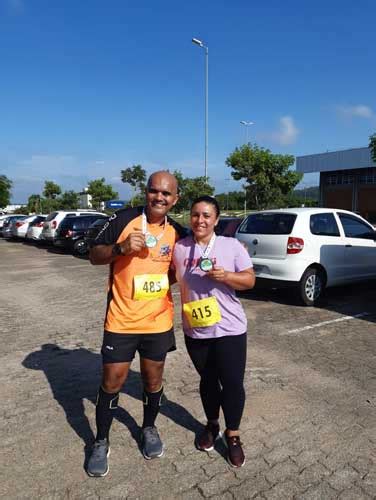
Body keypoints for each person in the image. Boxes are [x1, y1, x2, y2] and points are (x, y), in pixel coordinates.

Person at [87, 171, 185, 477]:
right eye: (154, 191)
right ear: (146, 192)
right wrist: (120, 248)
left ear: (175, 199)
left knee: (153, 381)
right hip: (121, 320)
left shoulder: (177, 232)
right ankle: (101, 441)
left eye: (166, 194)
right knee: (112, 381)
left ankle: (149, 428)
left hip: (158, 321)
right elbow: (93, 254)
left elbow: (179, 270)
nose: (159, 197)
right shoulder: (123, 219)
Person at [172, 195, 255, 467]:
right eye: (196, 214)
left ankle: (233, 435)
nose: (200, 220)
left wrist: (227, 277)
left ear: (216, 220)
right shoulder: (180, 248)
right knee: (207, 382)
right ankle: (211, 425)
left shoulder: (231, 246)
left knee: (232, 384)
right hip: (196, 329)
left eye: (207, 215)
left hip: (229, 328)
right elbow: (166, 275)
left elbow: (250, 280)